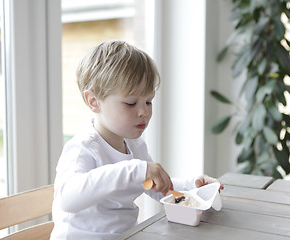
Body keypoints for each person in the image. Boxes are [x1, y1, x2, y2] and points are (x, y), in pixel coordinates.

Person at [50, 40, 223, 240]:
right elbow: (67, 199)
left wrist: (193, 188)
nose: (144, 112)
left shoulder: (134, 145)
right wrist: (135, 170)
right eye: (131, 103)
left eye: (149, 101)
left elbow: (157, 188)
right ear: (94, 102)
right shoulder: (83, 148)